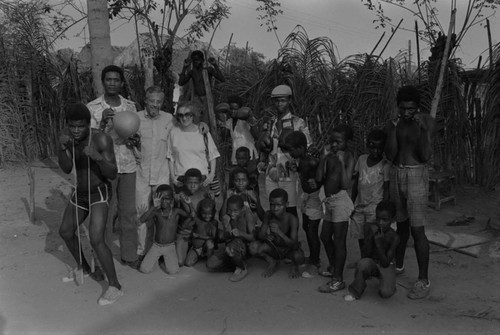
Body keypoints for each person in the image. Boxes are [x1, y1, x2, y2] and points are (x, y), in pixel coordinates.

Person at [58, 103, 123, 305]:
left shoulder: (100, 138)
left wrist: (96, 157)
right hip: (81, 193)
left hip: (99, 193)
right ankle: (84, 267)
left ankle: (115, 286)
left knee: (96, 239)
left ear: (88, 124)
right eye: (72, 126)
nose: (76, 131)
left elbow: (112, 173)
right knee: (66, 231)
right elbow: (67, 168)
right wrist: (62, 148)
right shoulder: (67, 137)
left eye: (81, 126)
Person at [86, 65, 140, 269]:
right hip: (105, 167)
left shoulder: (130, 106)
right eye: (108, 79)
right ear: (103, 81)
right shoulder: (93, 108)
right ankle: (103, 259)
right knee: (105, 214)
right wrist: (101, 124)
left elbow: (135, 136)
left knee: (128, 213)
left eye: (116, 80)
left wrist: (133, 138)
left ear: (122, 83)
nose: (112, 83)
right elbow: (88, 140)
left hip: (127, 165)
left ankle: (129, 255)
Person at [385, 85, 436, 299]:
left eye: (412, 108)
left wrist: (422, 130)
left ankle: (423, 280)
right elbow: (390, 154)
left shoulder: (426, 121)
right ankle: (398, 266)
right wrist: (393, 128)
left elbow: (425, 156)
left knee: (417, 230)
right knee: (401, 225)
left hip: (416, 174)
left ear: (418, 107)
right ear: (398, 107)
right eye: (404, 108)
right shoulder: (395, 122)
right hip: (397, 173)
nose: (407, 112)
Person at [135, 86, 175, 261]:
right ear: (146, 100)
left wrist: (202, 124)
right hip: (141, 175)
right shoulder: (135, 118)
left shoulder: (169, 119)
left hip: (161, 175)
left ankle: (159, 249)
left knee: (162, 213)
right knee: (141, 214)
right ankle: (141, 251)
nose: (155, 105)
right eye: (152, 101)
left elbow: (186, 128)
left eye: (159, 102)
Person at [316, 125, 355, 293]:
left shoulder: (348, 157)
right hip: (329, 200)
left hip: (341, 201)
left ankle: (338, 279)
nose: (333, 145)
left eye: (338, 142)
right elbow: (319, 178)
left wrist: (340, 162)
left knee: (339, 241)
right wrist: (324, 159)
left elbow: (346, 184)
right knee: (325, 236)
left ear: (346, 142)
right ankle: (334, 266)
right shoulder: (328, 156)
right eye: (331, 142)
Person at [263, 85, 312, 215]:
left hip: (289, 174)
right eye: (276, 100)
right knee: (274, 209)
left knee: (290, 210)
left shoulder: (298, 123)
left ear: (289, 100)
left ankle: (291, 236)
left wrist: (298, 165)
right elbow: (265, 146)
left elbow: (307, 147)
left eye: (283, 100)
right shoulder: (270, 122)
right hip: (271, 174)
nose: (279, 103)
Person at [344, 201, 400, 302]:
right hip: (373, 262)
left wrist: (378, 244)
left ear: (393, 220)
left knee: (385, 293)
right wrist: (370, 239)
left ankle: (389, 282)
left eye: (385, 220)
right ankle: (355, 291)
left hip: (386, 264)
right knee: (362, 264)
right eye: (378, 218)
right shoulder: (371, 228)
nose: (381, 223)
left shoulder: (394, 237)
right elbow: (366, 255)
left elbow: (385, 263)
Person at [285, 131, 323, 269]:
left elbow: (323, 172)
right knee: (306, 227)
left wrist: (318, 182)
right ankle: (313, 257)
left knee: (312, 230)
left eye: (291, 150)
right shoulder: (301, 160)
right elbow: (303, 172)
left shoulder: (312, 161)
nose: (290, 154)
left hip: (314, 198)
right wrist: (296, 169)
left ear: (301, 148)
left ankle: (315, 260)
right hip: (306, 198)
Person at [350, 129, 390, 259]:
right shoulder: (361, 159)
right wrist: (352, 202)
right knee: (360, 236)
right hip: (360, 205)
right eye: (372, 147)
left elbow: (386, 187)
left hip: (375, 207)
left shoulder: (385, 165)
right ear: (368, 145)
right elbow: (356, 182)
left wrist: (384, 208)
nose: (375, 151)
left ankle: (373, 262)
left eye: (379, 148)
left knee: (372, 236)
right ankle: (364, 261)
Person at [249, 188, 305, 278]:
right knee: (253, 247)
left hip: (288, 250)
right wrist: (266, 237)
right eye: (272, 204)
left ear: (286, 204)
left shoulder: (292, 219)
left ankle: (294, 266)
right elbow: (260, 235)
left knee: (299, 256)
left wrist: (279, 233)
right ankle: (272, 262)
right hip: (274, 247)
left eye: (279, 205)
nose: (275, 208)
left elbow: (294, 244)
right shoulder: (268, 214)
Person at [167, 101, 220, 190]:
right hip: (181, 179)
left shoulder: (203, 132)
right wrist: (173, 177)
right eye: (180, 115)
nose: (184, 118)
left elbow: (213, 155)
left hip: (202, 179)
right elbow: (170, 157)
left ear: (193, 115)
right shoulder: (174, 133)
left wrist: (211, 175)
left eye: (187, 114)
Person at [138, 185, 191, 274]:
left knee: (173, 271)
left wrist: (188, 203)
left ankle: (162, 260)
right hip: (156, 246)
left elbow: (189, 215)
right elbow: (141, 221)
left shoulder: (176, 211)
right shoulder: (156, 212)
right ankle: (158, 258)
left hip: (170, 246)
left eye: (167, 199)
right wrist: (153, 207)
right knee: (144, 269)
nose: (163, 201)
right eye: (160, 199)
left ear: (171, 199)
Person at [206, 195, 256, 282]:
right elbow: (227, 237)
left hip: (244, 247)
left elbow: (253, 238)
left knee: (231, 248)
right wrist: (226, 225)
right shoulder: (228, 216)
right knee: (210, 265)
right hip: (230, 246)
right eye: (229, 210)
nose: (232, 213)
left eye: (235, 211)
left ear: (243, 208)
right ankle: (237, 264)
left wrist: (241, 233)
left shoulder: (248, 216)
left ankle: (242, 268)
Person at [175, 168, 212, 266]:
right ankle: (188, 248)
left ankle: (200, 249)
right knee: (180, 262)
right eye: (189, 182)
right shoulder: (182, 196)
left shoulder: (204, 195)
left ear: (200, 183)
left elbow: (208, 217)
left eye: (195, 183)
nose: (192, 185)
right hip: (185, 232)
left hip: (198, 232)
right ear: (185, 183)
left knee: (189, 262)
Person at [178, 50, 225, 125]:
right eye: (194, 60)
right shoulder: (192, 72)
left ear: (202, 60)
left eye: (198, 60)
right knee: (195, 121)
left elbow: (222, 79)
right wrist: (184, 67)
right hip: (197, 100)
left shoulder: (208, 70)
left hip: (207, 99)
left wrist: (215, 65)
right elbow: (181, 83)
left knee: (206, 122)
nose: (196, 62)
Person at [216, 95, 259, 165]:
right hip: (236, 157)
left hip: (249, 156)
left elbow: (256, 135)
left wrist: (251, 119)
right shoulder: (229, 121)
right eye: (231, 109)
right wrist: (221, 120)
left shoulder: (245, 120)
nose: (233, 111)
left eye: (235, 109)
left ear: (240, 109)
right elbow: (225, 136)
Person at [185, 198, 219, 267]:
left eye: (209, 214)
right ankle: (200, 255)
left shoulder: (214, 223)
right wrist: (189, 203)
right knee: (188, 263)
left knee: (210, 243)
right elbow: (193, 213)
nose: (207, 216)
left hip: (207, 246)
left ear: (213, 213)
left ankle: (209, 258)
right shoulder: (198, 220)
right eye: (204, 214)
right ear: (200, 212)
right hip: (197, 248)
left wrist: (198, 236)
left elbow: (213, 237)